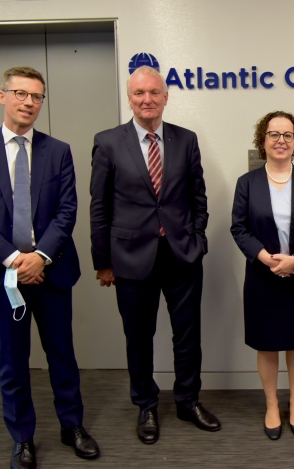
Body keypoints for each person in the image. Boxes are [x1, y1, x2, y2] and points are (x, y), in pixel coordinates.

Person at [0, 66, 100, 469]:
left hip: (50, 272)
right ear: (3, 96)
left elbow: (67, 210)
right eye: (20, 93)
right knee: (13, 362)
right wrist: (13, 260)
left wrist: (40, 257)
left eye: (37, 96)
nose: (29, 103)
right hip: (1, 276)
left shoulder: (59, 150)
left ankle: (72, 427)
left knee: (62, 356)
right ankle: (22, 439)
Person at [89, 65, 220, 445]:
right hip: (130, 258)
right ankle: (146, 405)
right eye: (138, 93)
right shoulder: (109, 141)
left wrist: (197, 240)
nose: (147, 99)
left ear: (165, 96)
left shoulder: (186, 139)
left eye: (154, 92)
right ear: (129, 98)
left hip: (181, 254)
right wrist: (103, 261)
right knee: (139, 336)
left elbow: (198, 196)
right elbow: (100, 207)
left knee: (187, 334)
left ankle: (187, 401)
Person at [230, 111, 294, 440]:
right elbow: (239, 228)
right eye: (274, 134)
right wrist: (268, 260)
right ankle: (272, 405)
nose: (281, 140)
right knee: (267, 343)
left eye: (287, 135)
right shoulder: (247, 183)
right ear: (263, 140)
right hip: (262, 276)